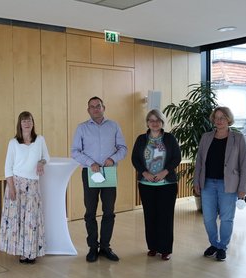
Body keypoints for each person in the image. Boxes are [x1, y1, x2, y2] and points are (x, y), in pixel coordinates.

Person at [71, 96, 127, 262]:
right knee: (90, 212)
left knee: (109, 211)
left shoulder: (114, 126)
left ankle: (105, 247)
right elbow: (75, 151)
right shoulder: (81, 128)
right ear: (88, 110)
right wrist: (90, 163)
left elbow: (123, 148)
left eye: (98, 106)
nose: (95, 109)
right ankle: (92, 248)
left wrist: (113, 159)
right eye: (92, 107)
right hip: (90, 173)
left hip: (109, 173)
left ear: (104, 107)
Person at [193, 106, 246, 261]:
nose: (219, 121)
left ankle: (222, 246)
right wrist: (197, 181)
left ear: (228, 119)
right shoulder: (206, 137)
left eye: (222, 117)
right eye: (216, 118)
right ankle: (214, 244)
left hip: (229, 185)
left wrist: (243, 188)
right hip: (208, 183)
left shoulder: (238, 138)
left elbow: (243, 164)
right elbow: (199, 162)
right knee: (208, 218)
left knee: (226, 218)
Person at [0, 111, 50, 264]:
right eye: (24, 121)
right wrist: (11, 188)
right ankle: (21, 251)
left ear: (33, 123)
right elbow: (8, 167)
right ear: (19, 124)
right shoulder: (13, 142)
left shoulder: (40, 140)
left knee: (31, 220)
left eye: (29, 120)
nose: (27, 123)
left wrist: (41, 162)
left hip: (33, 185)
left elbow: (47, 156)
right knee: (18, 219)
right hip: (16, 184)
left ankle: (31, 252)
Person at [131, 109, 181, 261]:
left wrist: (164, 172)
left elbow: (176, 158)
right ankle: (153, 247)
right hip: (146, 185)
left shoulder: (170, 138)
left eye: (157, 120)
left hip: (167, 184)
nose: (154, 123)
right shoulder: (141, 139)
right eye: (151, 120)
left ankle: (165, 249)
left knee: (165, 217)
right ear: (147, 122)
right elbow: (135, 159)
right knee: (150, 216)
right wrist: (144, 173)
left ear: (162, 122)